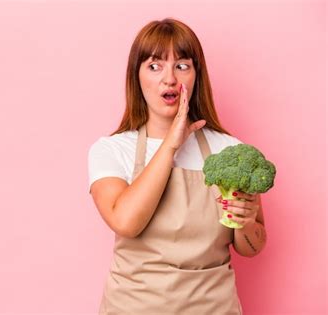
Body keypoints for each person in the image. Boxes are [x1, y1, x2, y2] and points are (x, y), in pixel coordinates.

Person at [87, 18, 267, 314]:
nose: (169, 79)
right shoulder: (111, 149)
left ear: (197, 75)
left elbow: (253, 245)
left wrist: (245, 221)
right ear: (137, 76)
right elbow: (126, 222)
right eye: (155, 66)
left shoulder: (230, 151)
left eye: (182, 65)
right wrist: (172, 142)